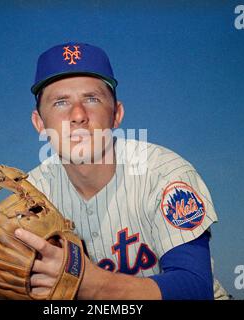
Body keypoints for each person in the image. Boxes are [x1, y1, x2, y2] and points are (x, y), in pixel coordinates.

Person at [13, 42, 229, 300]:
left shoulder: (164, 173)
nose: (78, 115)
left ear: (116, 114)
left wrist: (89, 284)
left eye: (92, 99)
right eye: (60, 102)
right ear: (39, 123)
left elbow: (194, 286)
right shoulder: (30, 194)